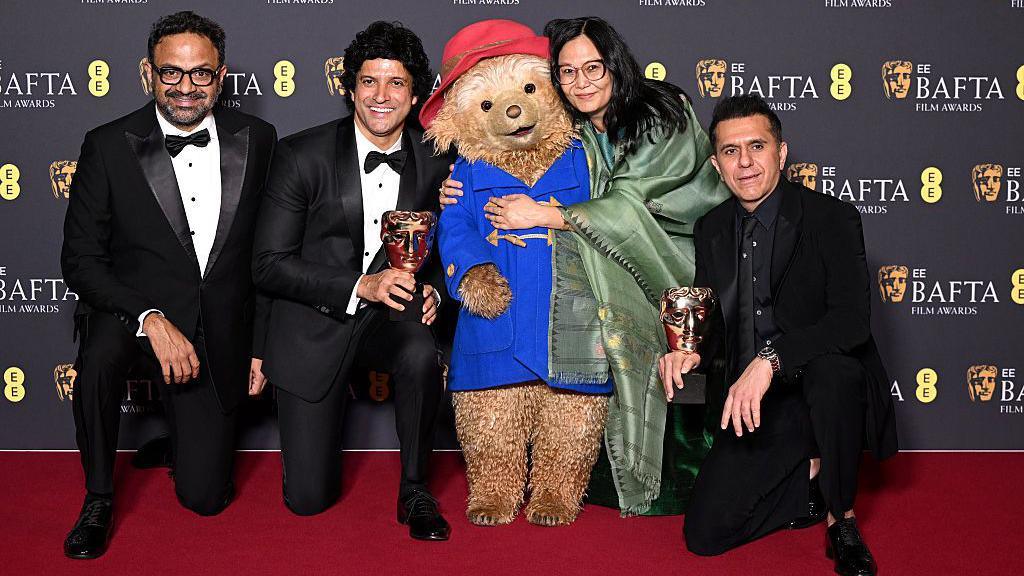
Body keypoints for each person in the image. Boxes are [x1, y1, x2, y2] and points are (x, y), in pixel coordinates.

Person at [441, 16, 730, 515]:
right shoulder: (557, 139)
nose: (582, 82)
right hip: (547, 291)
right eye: (568, 72)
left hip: (621, 287)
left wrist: (544, 214)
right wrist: (466, 242)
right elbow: (460, 220)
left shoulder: (636, 127)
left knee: (584, 391)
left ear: (615, 65)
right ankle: (509, 485)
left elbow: (628, 206)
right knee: (501, 399)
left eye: (593, 68)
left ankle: (586, 484)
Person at [60, 11, 277, 559]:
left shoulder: (258, 139)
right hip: (132, 314)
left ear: (221, 76)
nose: (185, 87)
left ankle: (180, 440)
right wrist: (149, 318)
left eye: (200, 73)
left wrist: (260, 345)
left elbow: (266, 255)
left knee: (206, 499)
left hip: (215, 324)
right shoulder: (107, 145)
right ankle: (98, 496)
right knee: (98, 360)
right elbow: (81, 260)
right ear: (147, 73)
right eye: (170, 72)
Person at [661, 94, 897, 575]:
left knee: (834, 373)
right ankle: (809, 479)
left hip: (819, 389)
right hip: (759, 406)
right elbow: (715, 323)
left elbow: (851, 323)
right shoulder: (711, 229)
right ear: (716, 165)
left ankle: (841, 519)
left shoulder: (832, 218)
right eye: (730, 151)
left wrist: (770, 360)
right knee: (704, 535)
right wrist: (689, 352)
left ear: (781, 152)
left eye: (757, 146)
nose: (745, 162)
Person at [252, 21, 453, 541]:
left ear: (416, 95)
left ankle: (415, 489)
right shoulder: (301, 155)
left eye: (396, 83)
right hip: (313, 320)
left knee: (418, 348)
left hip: (391, 319)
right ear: (350, 89)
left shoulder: (438, 159)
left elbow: (454, 244)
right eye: (369, 81)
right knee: (308, 501)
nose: (381, 96)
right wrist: (360, 285)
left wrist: (435, 287)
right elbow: (268, 263)